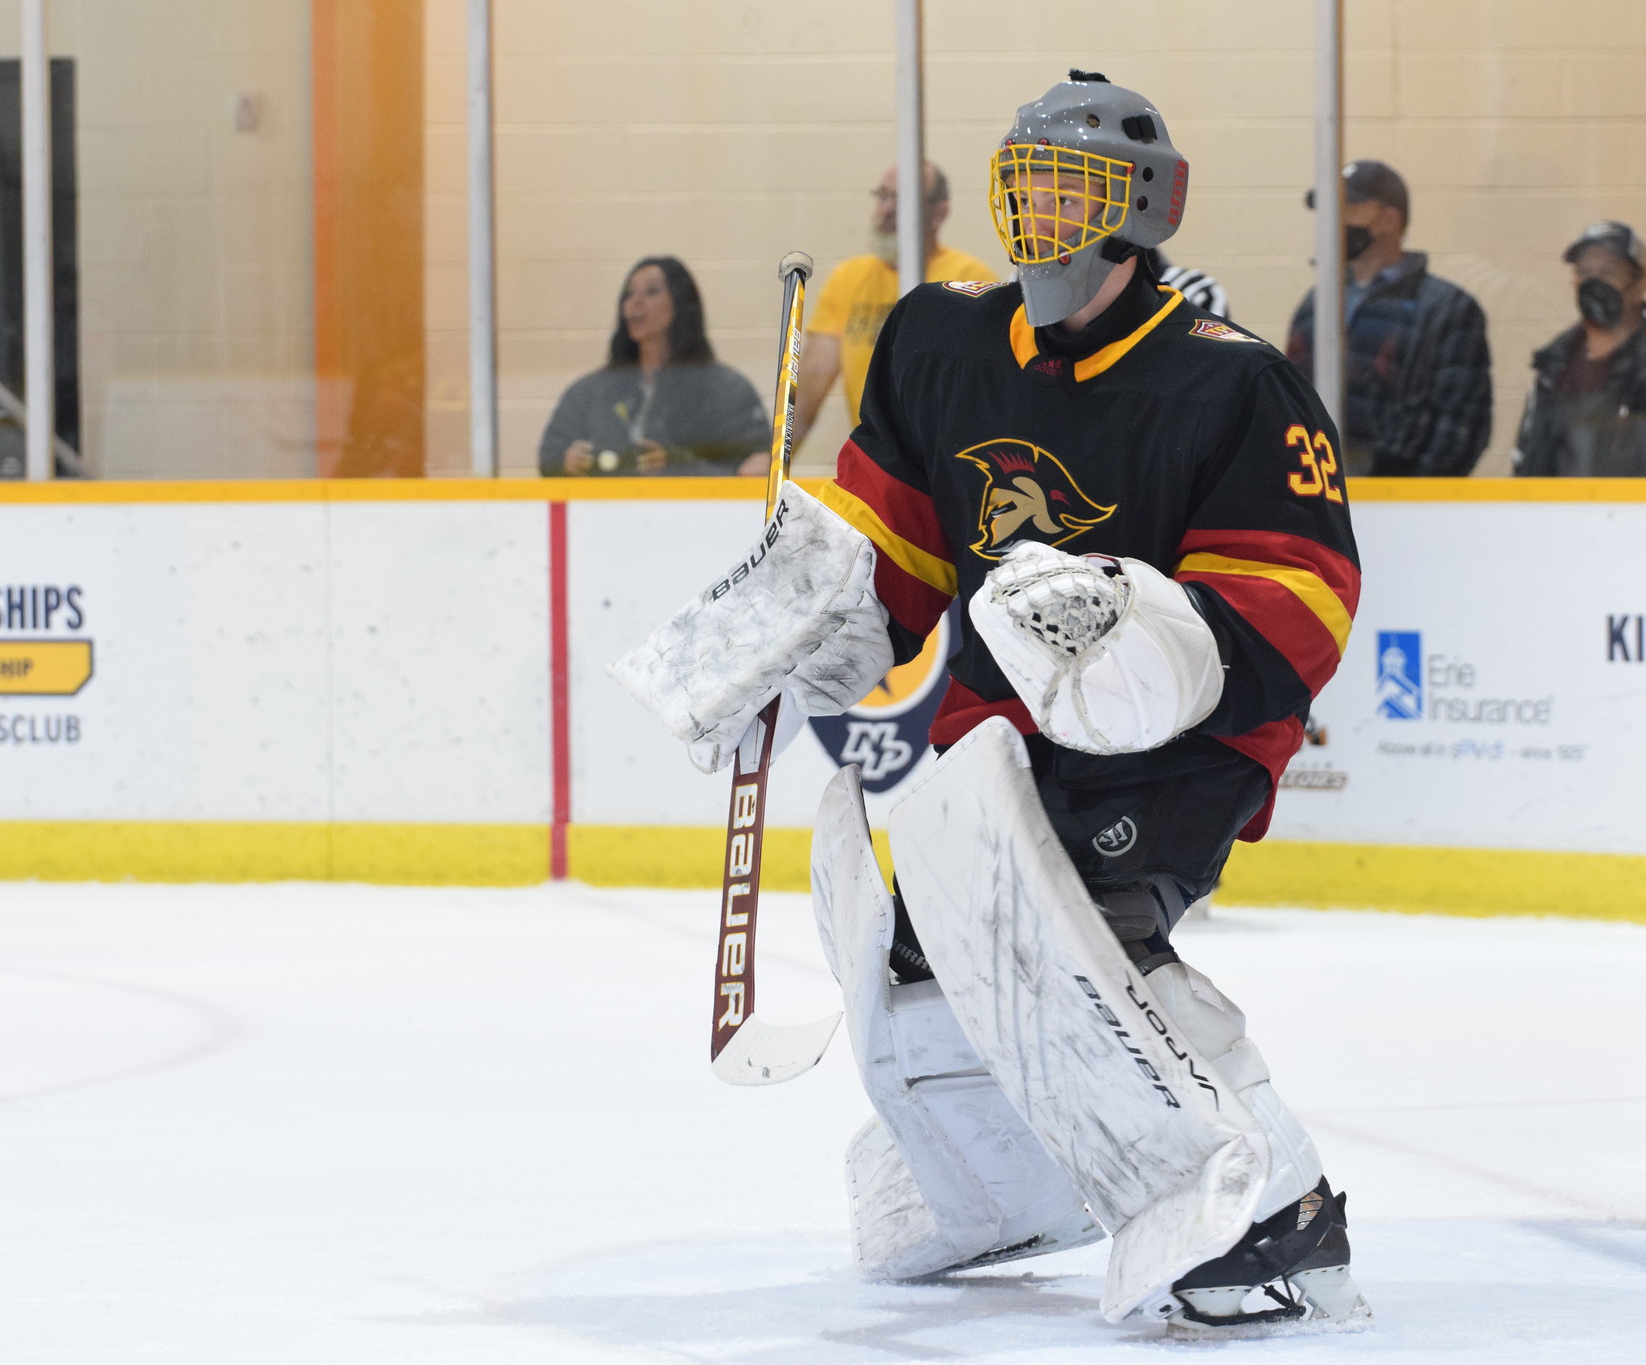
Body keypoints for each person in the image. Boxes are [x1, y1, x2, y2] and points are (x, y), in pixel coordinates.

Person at [612, 71, 1366, 1338]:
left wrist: (1134, 633)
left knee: (1084, 932)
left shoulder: (1234, 384)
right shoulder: (939, 340)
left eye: (1073, 191)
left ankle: (1270, 1213)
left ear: (1140, 209)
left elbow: (1301, 600)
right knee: (911, 936)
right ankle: (997, 1186)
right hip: (989, 725)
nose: (1041, 217)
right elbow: (892, 551)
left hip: (1178, 745)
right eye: (1026, 187)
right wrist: (795, 620)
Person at [1285, 160, 1492, 476]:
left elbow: (1461, 424)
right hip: (1321, 489)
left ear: (1389, 220)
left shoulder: (1447, 308)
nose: (1332, 222)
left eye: (1347, 209)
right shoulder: (1318, 302)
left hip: (1402, 496)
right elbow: (1289, 400)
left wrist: (1411, 494)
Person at [791, 162, 999, 449]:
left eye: (903, 199)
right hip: (875, 458)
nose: (887, 210)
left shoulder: (968, 279)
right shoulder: (848, 278)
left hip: (945, 455)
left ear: (939, 213)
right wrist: (775, 458)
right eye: (883, 196)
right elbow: (813, 380)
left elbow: (984, 390)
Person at [537, 257, 770, 477]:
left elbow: (756, 469)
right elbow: (550, 457)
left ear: (681, 302)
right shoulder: (591, 391)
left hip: (690, 507)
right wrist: (566, 463)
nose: (635, 302)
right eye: (629, 293)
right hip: (607, 507)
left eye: (652, 291)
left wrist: (678, 467)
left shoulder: (725, 390)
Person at [1513, 222, 1646, 477]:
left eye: (1608, 272)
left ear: (1640, 286)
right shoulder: (1553, 365)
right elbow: (1528, 464)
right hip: (1558, 503)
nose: (1593, 283)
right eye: (1584, 271)